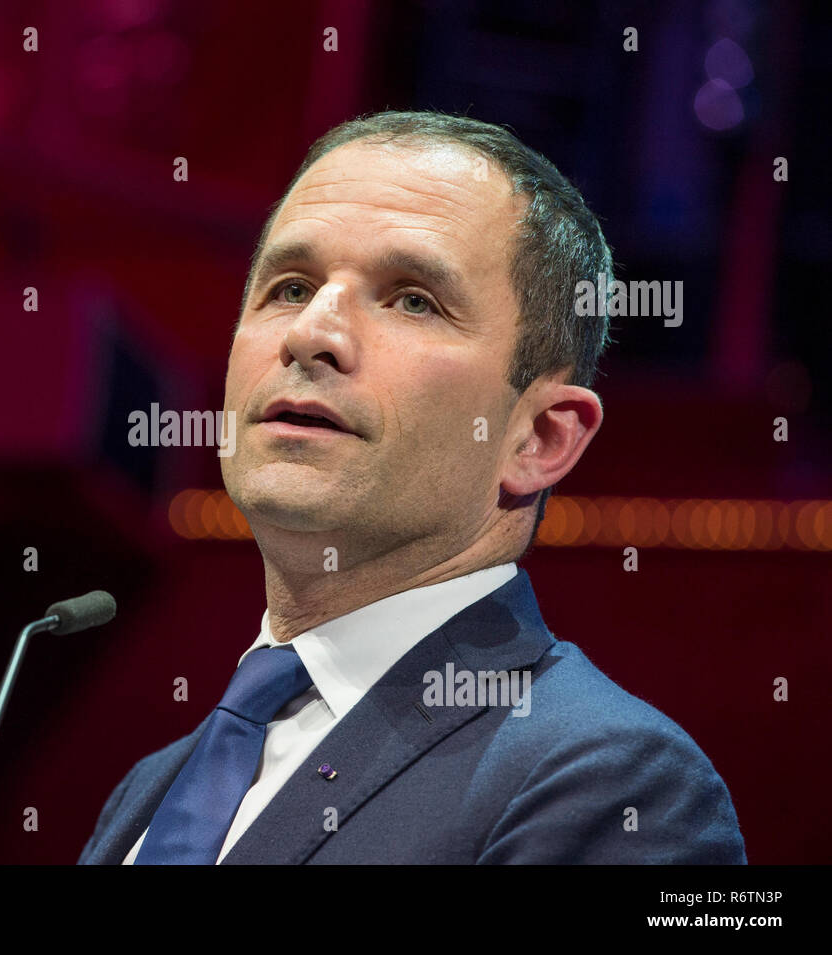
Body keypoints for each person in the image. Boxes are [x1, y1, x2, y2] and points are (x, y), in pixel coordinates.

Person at [78, 111, 746, 864]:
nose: (312, 333)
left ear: (539, 438)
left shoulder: (613, 782)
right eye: (290, 287)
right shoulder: (146, 791)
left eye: (413, 299)